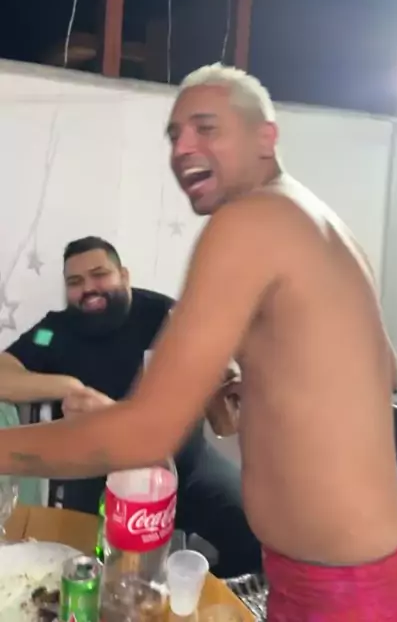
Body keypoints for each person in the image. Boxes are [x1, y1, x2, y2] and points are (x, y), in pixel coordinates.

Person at [0, 65, 397, 621]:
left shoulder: (247, 221)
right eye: (174, 134)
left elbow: (146, 434)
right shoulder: (316, 217)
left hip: (350, 588)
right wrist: (264, 387)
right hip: (369, 565)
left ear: (266, 136)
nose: (182, 147)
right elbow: (385, 371)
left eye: (206, 127)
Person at [0, 236, 260, 578]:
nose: (88, 289)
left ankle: (204, 591)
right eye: (75, 282)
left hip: (185, 464)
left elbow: (213, 380)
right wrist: (68, 386)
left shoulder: (164, 315)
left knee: (257, 532)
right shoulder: (52, 332)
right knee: (84, 568)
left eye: (99, 274)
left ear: (123, 275)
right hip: (96, 475)